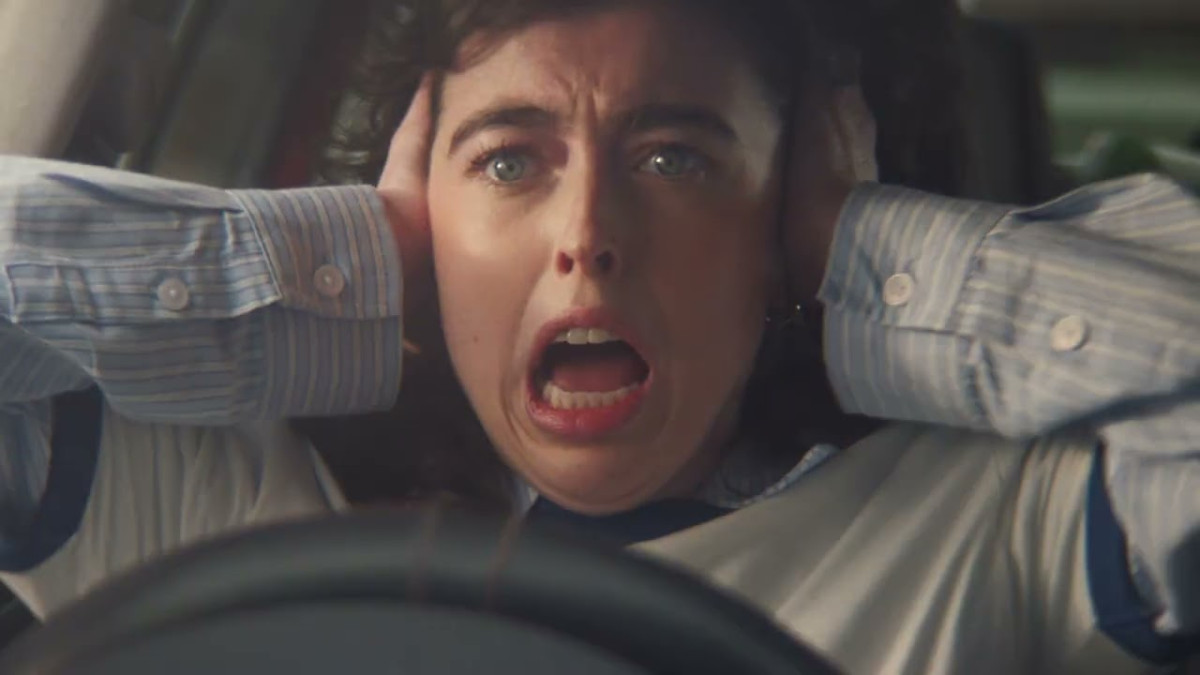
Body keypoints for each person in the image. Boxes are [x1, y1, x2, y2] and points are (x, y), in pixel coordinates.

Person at [0, 0, 1197, 672]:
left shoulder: (996, 527)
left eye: (674, 159)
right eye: (506, 162)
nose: (586, 236)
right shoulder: (219, 510)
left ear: (788, 218)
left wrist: (864, 251)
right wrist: (344, 265)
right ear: (420, 201)